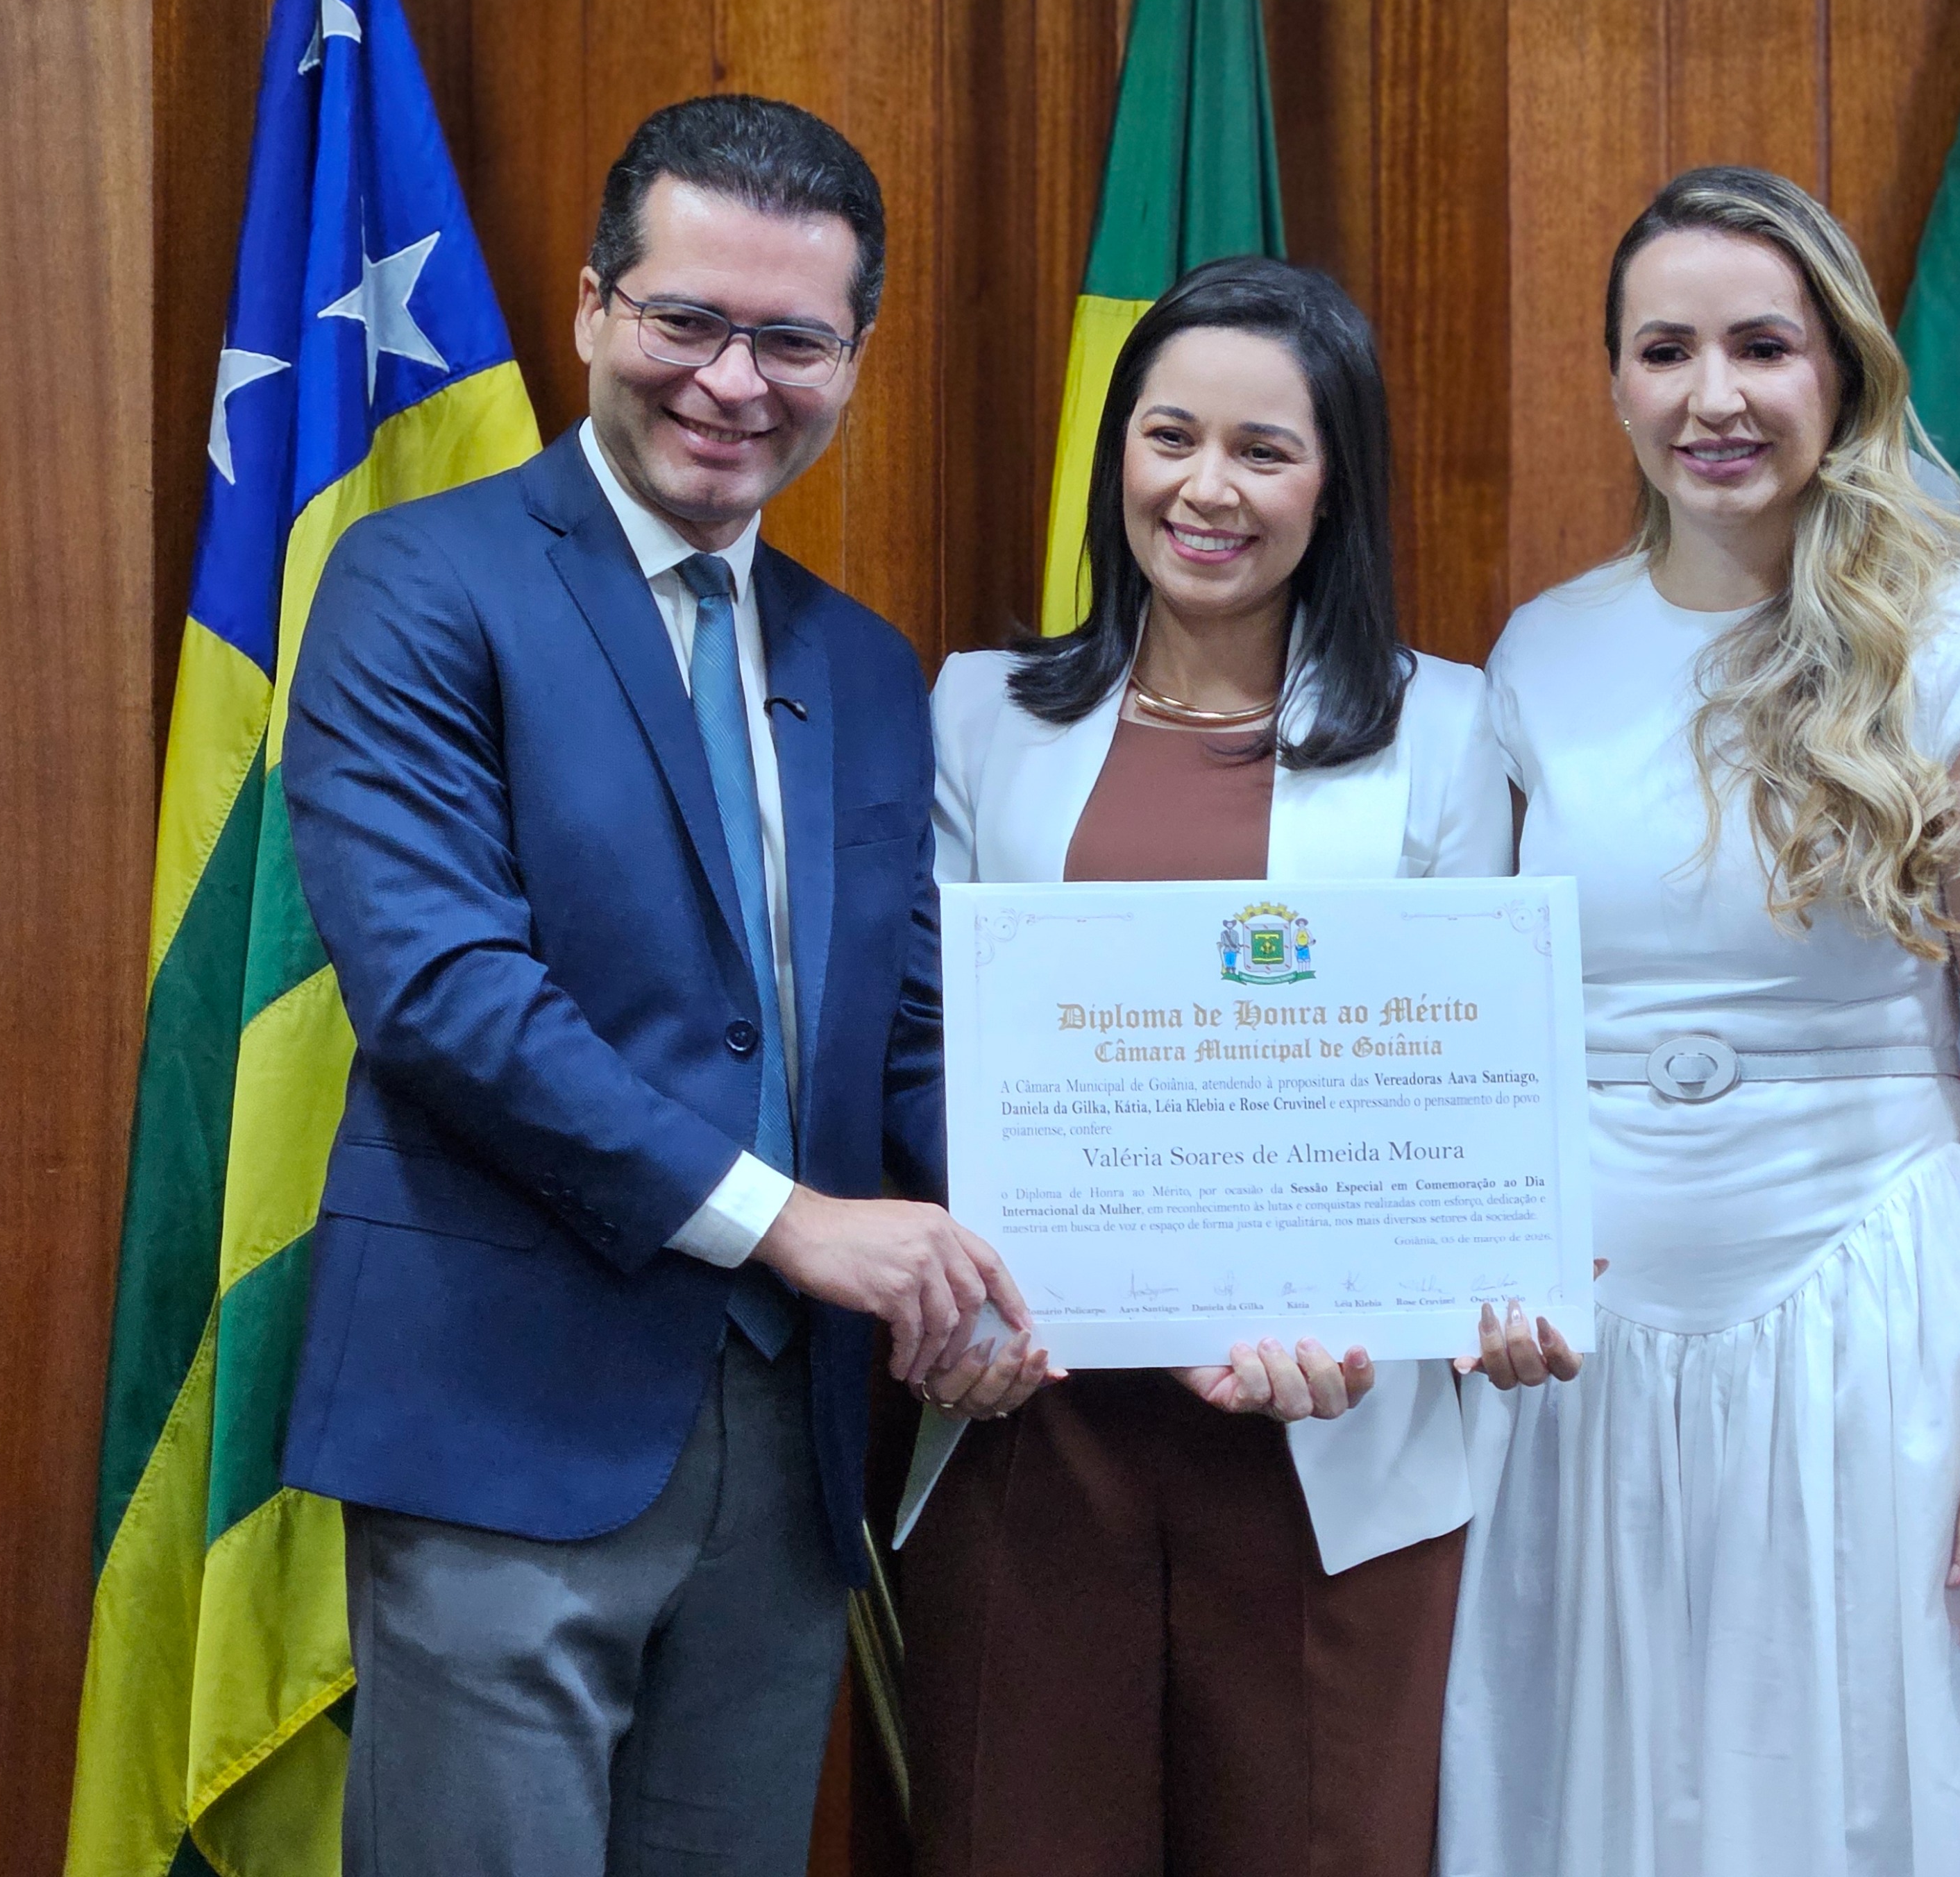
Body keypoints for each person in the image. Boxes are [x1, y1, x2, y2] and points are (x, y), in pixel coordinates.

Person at [279, 94, 1045, 1877]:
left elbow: (908, 1037)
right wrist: (793, 1224)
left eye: (792, 341)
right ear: (590, 309)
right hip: (503, 1423)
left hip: (790, 1450)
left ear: (854, 358)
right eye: (686, 319)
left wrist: (1070, 1259)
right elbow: (448, 995)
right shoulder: (417, 582)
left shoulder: (865, 667)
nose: (732, 382)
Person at [1436, 167, 1960, 1875]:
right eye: (1665, 351)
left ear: (1840, 371)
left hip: (1879, 1341)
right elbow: (1483, 1034)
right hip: (1588, 1369)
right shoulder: (1540, 654)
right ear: (1615, 383)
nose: (1714, 397)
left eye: (1761, 347)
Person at [897, 256, 1513, 1877]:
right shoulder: (977, 715)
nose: (1206, 489)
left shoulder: (1448, 731)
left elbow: (1458, 1090)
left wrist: (1378, 1303)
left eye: (1263, 450)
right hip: (1036, 1424)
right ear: (1118, 455)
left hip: (1326, 1437)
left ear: (1334, 483)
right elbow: (928, 1051)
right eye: (1170, 437)